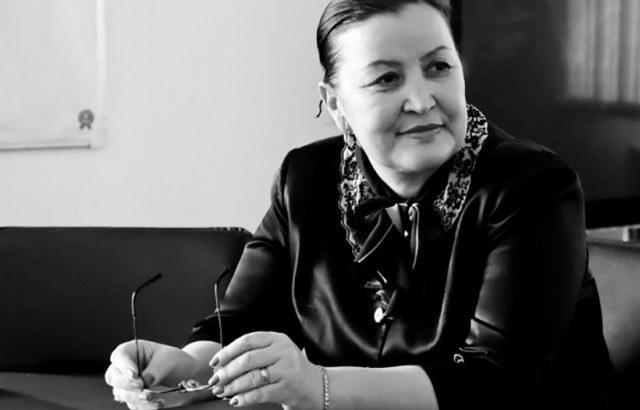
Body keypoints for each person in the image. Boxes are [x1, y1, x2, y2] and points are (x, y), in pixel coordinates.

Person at [105, 0, 613, 409]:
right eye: (386, 78)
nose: (422, 100)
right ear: (335, 103)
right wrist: (189, 367)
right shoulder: (304, 178)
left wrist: (318, 386)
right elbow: (241, 322)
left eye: (439, 67)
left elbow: (498, 383)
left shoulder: (535, 187)